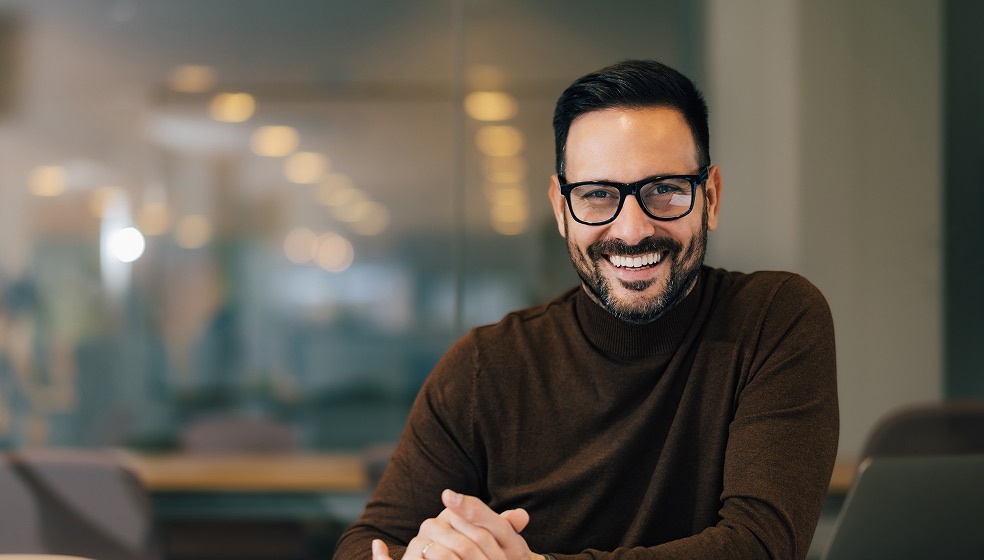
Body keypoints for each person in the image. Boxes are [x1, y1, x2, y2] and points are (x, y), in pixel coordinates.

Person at [333, 59, 838, 560]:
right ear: (560, 209)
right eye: (598, 195)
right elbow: (366, 544)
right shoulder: (485, 366)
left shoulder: (774, 319)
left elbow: (760, 547)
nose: (632, 229)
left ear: (711, 198)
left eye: (664, 190)